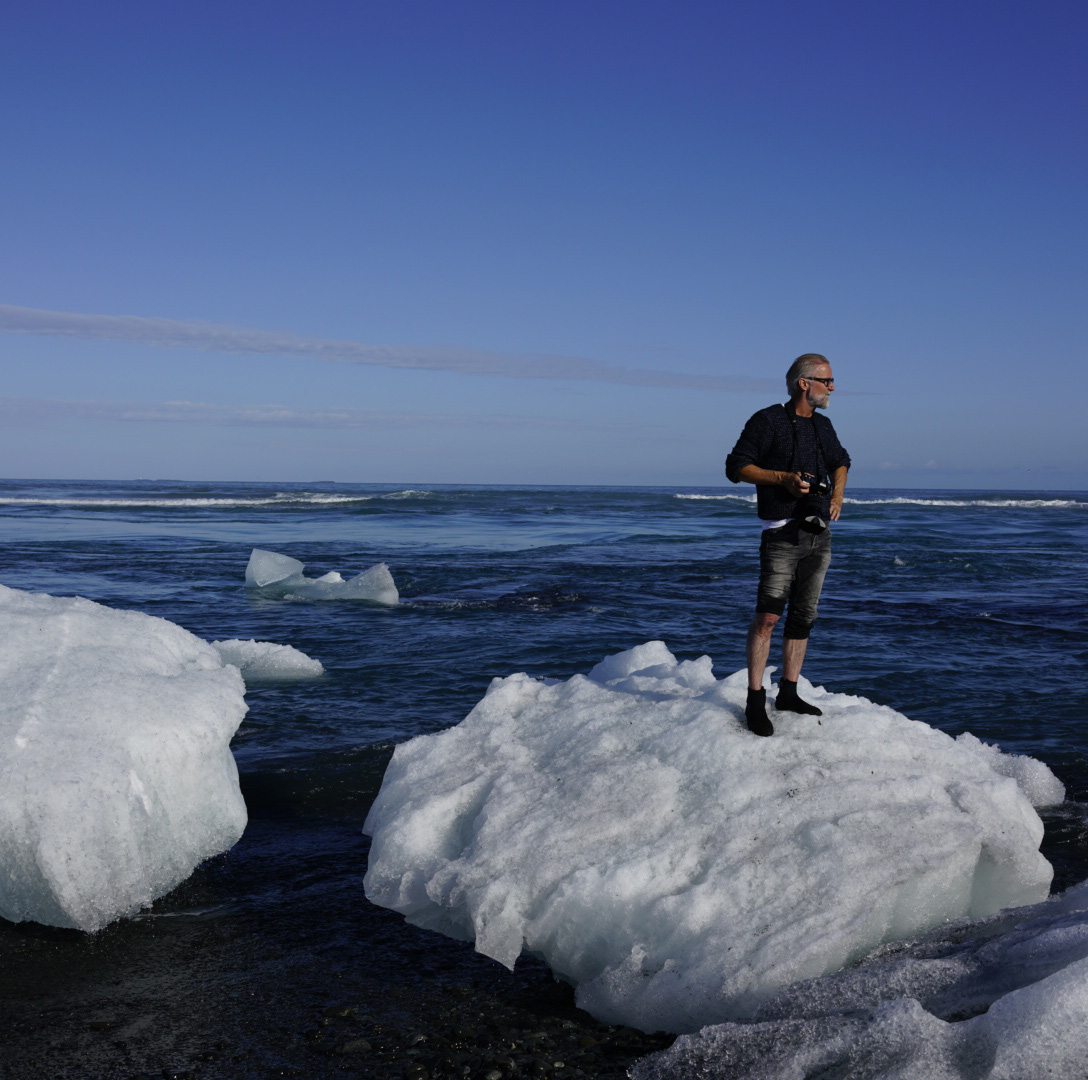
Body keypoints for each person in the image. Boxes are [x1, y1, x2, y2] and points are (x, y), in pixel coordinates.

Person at [725, 353, 850, 736]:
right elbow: (736, 466)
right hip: (780, 533)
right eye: (826, 381)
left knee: (803, 617)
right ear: (804, 383)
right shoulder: (767, 421)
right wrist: (782, 478)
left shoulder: (823, 426)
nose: (832, 388)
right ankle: (754, 699)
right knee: (767, 617)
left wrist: (837, 497)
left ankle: (790, 693)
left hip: (818, 533)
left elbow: (841, 460)